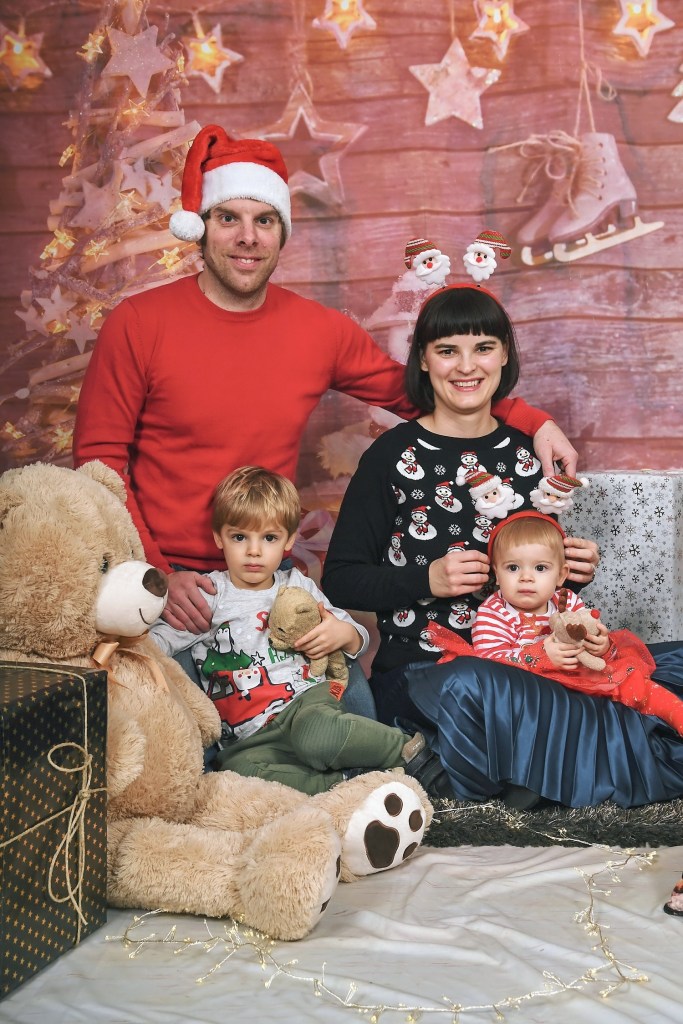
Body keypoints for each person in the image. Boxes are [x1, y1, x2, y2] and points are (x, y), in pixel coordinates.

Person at [73, 123, 577, 642]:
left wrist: (530, 420)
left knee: (346, 686)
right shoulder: (139, 323)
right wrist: (155, 571)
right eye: (228, 218)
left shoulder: (320, 330)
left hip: (269, 574)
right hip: (165, 578)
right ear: (200, 227)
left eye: (264, 220)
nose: (248, 237)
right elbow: (99, 461)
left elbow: (424, 393)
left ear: (282, 233)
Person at [323, 284, 683, 808]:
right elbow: (340, 579)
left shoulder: (525, 454)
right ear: (422, 359)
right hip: (434, 673)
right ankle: (600, 750)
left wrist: (568, 571)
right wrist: (427, 579)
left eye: (483, 348)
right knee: (475, 684)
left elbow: (534, 575)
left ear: (505, 355)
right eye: (447, 350)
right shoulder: (391, 456)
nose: (467, 366)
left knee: (670, 660)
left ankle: (544, 759)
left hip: (542, 665)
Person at [150, 466, 450, 795]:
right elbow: (158, 643)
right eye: (239, 537)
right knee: (238, 776)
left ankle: (408, 751)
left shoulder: (296, 584)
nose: (254, 551)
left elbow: (355, 635)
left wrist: (344, 634)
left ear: (289, 540)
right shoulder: (207, 595)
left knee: (316, 737)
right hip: (248, 739)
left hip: (305, 706)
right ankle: (350, 786)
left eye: (269, 538)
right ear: (219, 537)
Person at [465, 511, 683, 734]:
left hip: (575, 675)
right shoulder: (494, 612)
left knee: (627, 680)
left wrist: (600, 646)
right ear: (497, 574)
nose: (526, 577)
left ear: (561, 575)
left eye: (540, 568)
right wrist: (541, 656)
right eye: (513, 568)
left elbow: (586, 635)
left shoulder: (567, 600)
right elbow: (487, 664)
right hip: (528, 687)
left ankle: (675, 712)